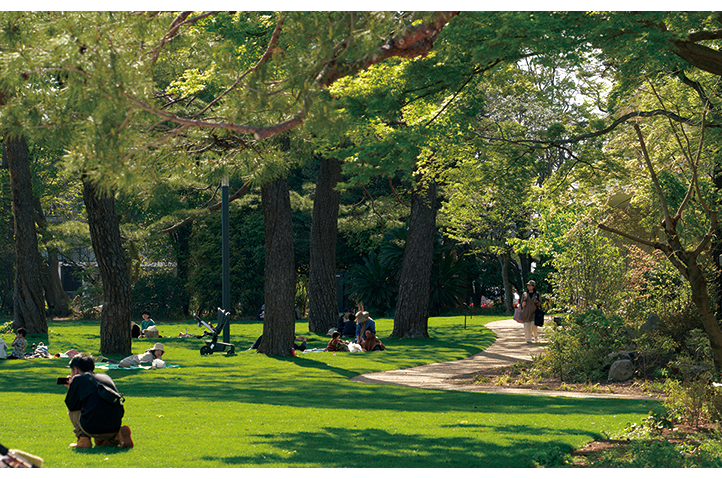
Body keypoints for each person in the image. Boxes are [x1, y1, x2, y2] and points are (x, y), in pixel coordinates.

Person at [63, 354, 133, 448]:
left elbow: (72, 405)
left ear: (75, 370)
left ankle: (83, 439)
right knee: (100, 441)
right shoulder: (106, 377)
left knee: (73, 411)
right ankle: (114, 436)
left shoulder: (77, 378)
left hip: (93, 428)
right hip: (114, 425)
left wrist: (72, 389)